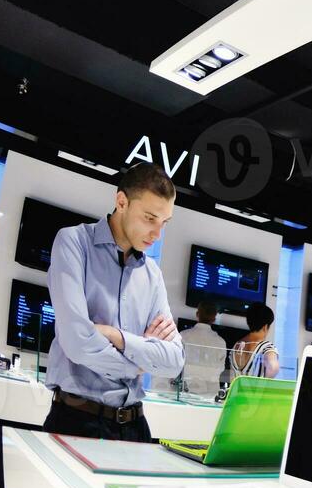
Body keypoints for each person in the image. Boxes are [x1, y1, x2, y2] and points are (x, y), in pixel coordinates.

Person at [43, 164, 183, 441]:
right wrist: (140, 361)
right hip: (76, 420)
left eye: (164, 223)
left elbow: (174, 361)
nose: (157, 234)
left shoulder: (152, 273)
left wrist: (115, 336)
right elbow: (78, 344)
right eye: (149, 218)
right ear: (121, 202)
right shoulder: (73, 243)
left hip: (136, 425)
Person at [176, 301, 226, 396]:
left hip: (187, 392)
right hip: (211, 395)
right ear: (214, 318)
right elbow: (221, 368)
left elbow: (177, 364)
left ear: (197, 314)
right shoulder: (221, 342)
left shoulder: (183, 336)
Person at [232, 304, 281, 379]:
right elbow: (273, 367)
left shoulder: (236, 345)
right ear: (265, 327)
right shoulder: (266, 347)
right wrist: (265, 385)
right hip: (256, 390)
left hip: (235, 390)